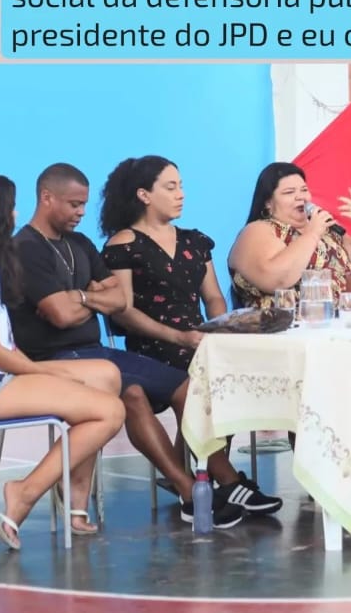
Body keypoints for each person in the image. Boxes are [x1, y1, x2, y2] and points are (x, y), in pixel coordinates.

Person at [11, 163, 244, 528]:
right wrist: (92, 298)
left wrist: (81, 298)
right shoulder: (26, 248)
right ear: (46, 198)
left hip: (96, 353)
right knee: (132, 394)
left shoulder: (79, 244)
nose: (81, 212)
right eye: (73, 204)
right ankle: (190, 490)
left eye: (84, 204)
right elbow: (60, 315)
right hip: (53, 359)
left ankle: (213, 480)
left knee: (188, 387)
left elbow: (120, 299)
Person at [0, 173, 125, 549]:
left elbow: (0, 345)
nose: (15, 215)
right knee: (110, 412)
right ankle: (24, 493)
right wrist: (41, 372)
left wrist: (45, 371)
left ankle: (76, 501)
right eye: (10, 208)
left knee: (106, 374)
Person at [98, 155, 283, 518]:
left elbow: (213, 297)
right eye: (171, 187)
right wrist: (177, 336)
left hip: (198, 341)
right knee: (205, 379)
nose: (181, 194)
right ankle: (227, 481)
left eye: (181, 186)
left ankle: (203, 475)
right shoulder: (124, 244)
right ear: (144, 195)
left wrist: (222, 328)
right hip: (152, 347)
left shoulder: (195, 241)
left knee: (229, 371)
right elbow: (123, 310)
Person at [228, 161, 351, 310]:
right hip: (280, 324)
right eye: (289, 192)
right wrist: (312, 234)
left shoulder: (326, 230)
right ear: (268, 202)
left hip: (338, 322)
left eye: (304, 190)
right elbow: (277, 279)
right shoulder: (258, 230)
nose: (301, 197)